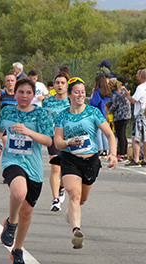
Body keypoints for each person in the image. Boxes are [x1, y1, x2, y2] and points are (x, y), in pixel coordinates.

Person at [0, 77, 53, 264]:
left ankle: (17, 250)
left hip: (34, 166)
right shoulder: (7, 110)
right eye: (21, 92)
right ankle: (11, 222)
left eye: (28, 93)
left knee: (27, 212)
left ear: (34, 95)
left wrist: (29, 132)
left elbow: (49, 141)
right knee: (19, 192)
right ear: (15, 93)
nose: (24, 96)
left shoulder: (41, 114)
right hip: (12, 161)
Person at [53, 77, 117, 249]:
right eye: (76, 92)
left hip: (90, 161)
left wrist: (113, 154)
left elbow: (110, 135)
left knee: (81, 199)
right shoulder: (62, 116)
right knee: (73, 194)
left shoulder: (93, 112)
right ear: (69, 94)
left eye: (83, 92)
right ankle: (76, 231)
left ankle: (72, 214)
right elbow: (57, 142)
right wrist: (68, 142)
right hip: (70, 159)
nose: (80, 95)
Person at [42, 72, 71, 212]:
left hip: (69, 139)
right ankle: (55, 200)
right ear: (53, 85)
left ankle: (62, 186)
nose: (60, 85)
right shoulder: (47, 101)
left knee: (65, 169)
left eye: (62, 83)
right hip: (53, 137)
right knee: (55, 167)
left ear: (67, 85)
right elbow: (43, 119)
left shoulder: (72, 101)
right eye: (57, 82)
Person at [124, 68, 146, 167]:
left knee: (136, 137)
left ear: (141, 76)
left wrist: (127, 95)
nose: (136, 76)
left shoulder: (140, 88)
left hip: (140, 113)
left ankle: (136, 159)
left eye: (137, 74)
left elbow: (133, 100)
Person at [108, 76, 131, 162]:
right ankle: (124, 153)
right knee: (123, 135)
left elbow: (115, 105)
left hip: (121, 116)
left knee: (120, 135)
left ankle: (122, 154)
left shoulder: (120, 93)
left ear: (120, 83)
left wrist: (109, 111)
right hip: (126, 116)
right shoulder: (126, 92)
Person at [0, 73, 18, 148]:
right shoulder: (1, 94)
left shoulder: (18, 95)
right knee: (7, 143)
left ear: (15, 82)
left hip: (15, 124)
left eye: (12, 81)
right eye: (8, 81)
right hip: (4, 124)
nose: (10, 83)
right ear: (5, 82)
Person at [89, 74, 112, 157]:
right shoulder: (108, 91)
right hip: (105, 113)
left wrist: (91, 100)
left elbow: (94, 103)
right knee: (105, 132)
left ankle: (99, 149)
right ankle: (106, 148)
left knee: (98, 132)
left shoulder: (97, 91)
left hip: (98, 113)